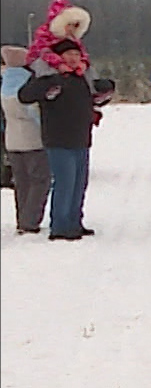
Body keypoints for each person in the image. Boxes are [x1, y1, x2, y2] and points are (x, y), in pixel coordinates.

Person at [19, 35, 113, 241]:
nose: (73, 58)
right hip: (58, 138)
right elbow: (24, 95)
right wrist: (49, 85)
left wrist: (105, 89)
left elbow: (93, 98)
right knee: (65, 182)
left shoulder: (82, 76)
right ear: (59, 56)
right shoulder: (47, 75)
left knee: (79, 183)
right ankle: (60, 226)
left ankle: (74, 222)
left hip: (81, 136)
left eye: (77, 54)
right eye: (69, 54)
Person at [4, 45, 53, 233]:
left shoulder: (6, 85)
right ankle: (30, 221)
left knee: (22, 182)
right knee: (40, 180)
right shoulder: (25, 86)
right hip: (32, 140)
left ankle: (22, 218)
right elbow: (33, 113)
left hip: (12, 140)